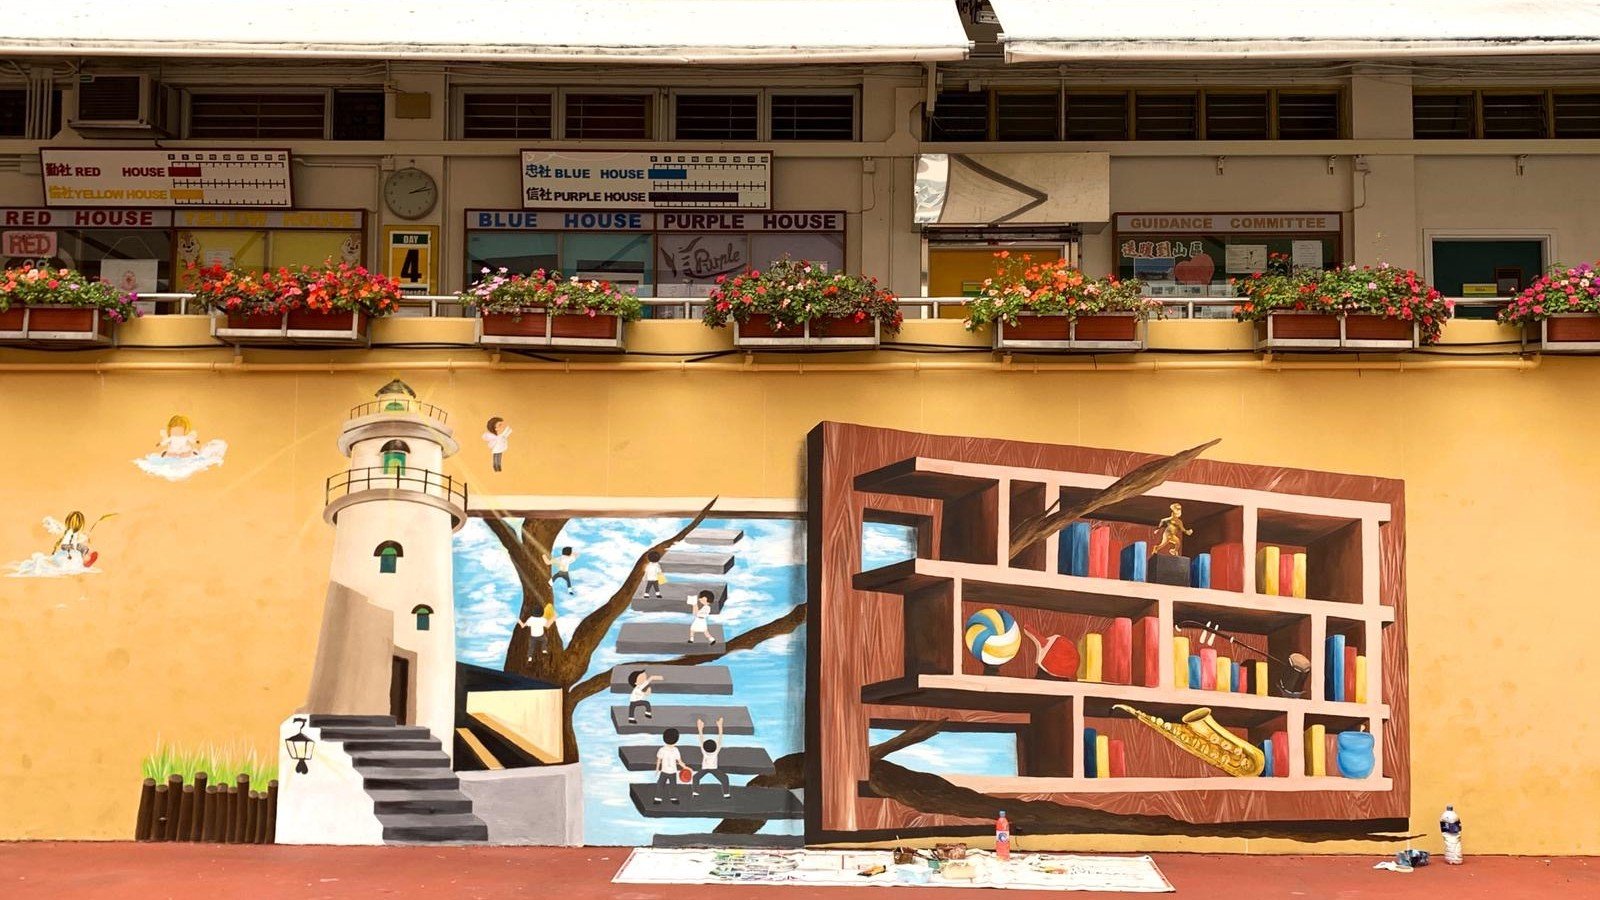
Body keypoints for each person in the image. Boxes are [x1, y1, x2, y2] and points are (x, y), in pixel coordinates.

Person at [692, 716, 731, 799]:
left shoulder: (703, 750)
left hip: (704, 769)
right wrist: (720, 726)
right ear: (715, 747)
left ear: (704, 747)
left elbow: (701, 738)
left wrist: (700, 728)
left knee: (695, 777)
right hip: (714, 769)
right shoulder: (716, 750)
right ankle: (726, 794)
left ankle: (695, 792)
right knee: (725, 778)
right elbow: (720, 737)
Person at [653, 727, 690, 805]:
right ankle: (663, 798)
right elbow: (680, 762)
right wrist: (686, 767)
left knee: (663, 785)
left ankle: (662, 798)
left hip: (668, 771)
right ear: (676, 739)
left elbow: (659, 760)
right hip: (668, 772)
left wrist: (657, 769)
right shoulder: (675, 750)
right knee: (666, 785)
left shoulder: (662, 749)